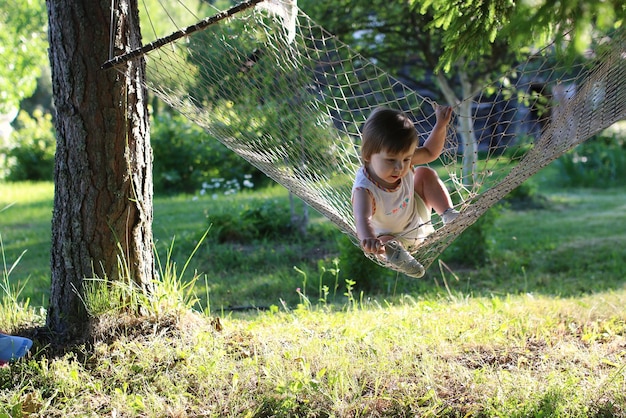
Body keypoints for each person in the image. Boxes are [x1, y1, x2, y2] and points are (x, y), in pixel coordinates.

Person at [351, 104, 459, 278]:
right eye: (391, 160)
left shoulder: (401, 160)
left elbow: (430, 152)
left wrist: (440, 125)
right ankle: (403, 259)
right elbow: (362, 217)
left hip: (418, 221)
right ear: (368, 155)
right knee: (385, 243)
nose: (400, 167)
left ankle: (448, 214)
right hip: (392, 239)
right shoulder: (364, 189)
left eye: (407, 158)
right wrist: (368, 239)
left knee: (425, 173)